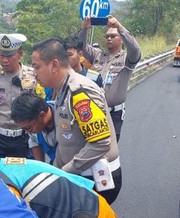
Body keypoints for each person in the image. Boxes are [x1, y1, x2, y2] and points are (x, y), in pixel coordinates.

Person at [27, 37, 123, 204]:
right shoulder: (61, 90)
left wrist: (64, 172)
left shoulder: (80, 92)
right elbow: (66, 141)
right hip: (80, 178)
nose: (34, 73)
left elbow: (100, 143)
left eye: (37, 67)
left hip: (94, 180)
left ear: (54, 65)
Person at [0, 33, 41, 158]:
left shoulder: (33, 76)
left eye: (9, 56)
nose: (5, 60)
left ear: (20, 54)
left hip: (24, 139)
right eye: (1, 55)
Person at [79, 16, 141, 141]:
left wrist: (119, 27)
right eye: (107, 36)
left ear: (121, 39)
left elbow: (135, 49)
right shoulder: (97, 55)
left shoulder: (126, 59)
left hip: (114, 114)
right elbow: (81, 47)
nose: (109, 38)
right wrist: (84, 28)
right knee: (92, 145)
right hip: (95, 110)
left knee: (111, 150)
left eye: (113, 36)